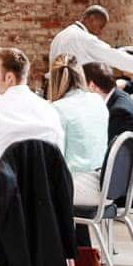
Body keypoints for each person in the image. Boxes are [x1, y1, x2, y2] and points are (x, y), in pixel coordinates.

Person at [0, 48, 63, 178]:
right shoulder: (50, 110)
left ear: (9, 78)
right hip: (44, 191)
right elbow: (58, 158)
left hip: (5, 192)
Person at [84, 61, 133, 206]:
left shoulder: (119, 111)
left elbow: (116, 158)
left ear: (92, 86)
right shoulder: (117, 99)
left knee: (73, 189)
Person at [47, 58, 109, 206]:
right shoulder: (98, 100)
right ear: (81, 75)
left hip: (80, 187)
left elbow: (56, 157)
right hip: (108, 184)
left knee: (29, 187)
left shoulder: (57, 109)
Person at [48, 5, 133, 80]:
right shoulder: (84, 38)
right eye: (100, 27)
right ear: (92, 19)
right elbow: (113, 56)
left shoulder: (60, 36)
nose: (99, 32)